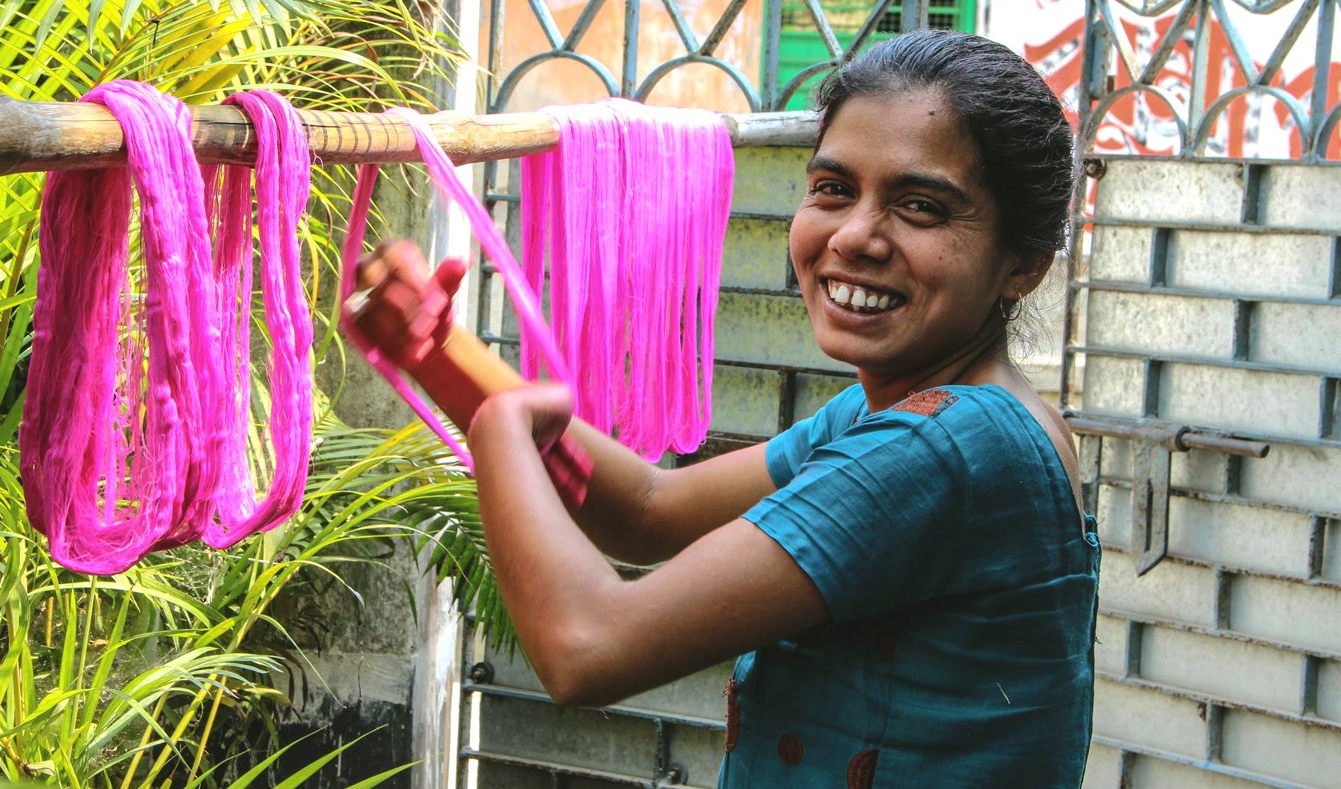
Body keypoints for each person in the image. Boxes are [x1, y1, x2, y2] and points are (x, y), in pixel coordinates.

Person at [356, 28, 1098, 788]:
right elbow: (650, 509)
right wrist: (441, 355)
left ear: (1024, 265)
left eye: (921, 206)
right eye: (834, 189)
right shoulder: (931, 416)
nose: (853, 236)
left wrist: (498, 427)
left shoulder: (944, 448)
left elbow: (586, 645)